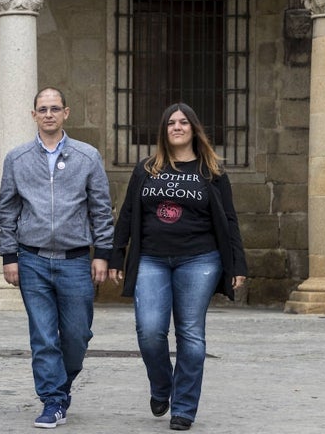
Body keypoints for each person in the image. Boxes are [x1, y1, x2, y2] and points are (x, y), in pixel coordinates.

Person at [108, 103, 247, 431]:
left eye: (184, 122)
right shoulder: (146, 168)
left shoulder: (211, 171)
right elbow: (128, 213)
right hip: (152, 259)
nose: (177, 127)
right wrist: (117, 255)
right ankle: (161, 386)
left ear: (194, 128)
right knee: (150, 331)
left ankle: (184, 407)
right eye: (171, 122)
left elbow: (229, 220)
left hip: (200, 259)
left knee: (190, 333)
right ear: (163, 131)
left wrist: (238, 264)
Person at [0, 87, 114, 429]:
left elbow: (101, 209)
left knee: (77, 335)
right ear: (33, 115)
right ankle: (52, 400)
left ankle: (61, 387)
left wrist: (102, 254)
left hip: (75, 260)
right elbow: (6, 210)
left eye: (54, 108)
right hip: (31, 260)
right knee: (44, 336)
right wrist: (9, 255)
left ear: (66, 113)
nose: (48, 114)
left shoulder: (87, 156)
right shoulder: (17, 158)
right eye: (42, 109)